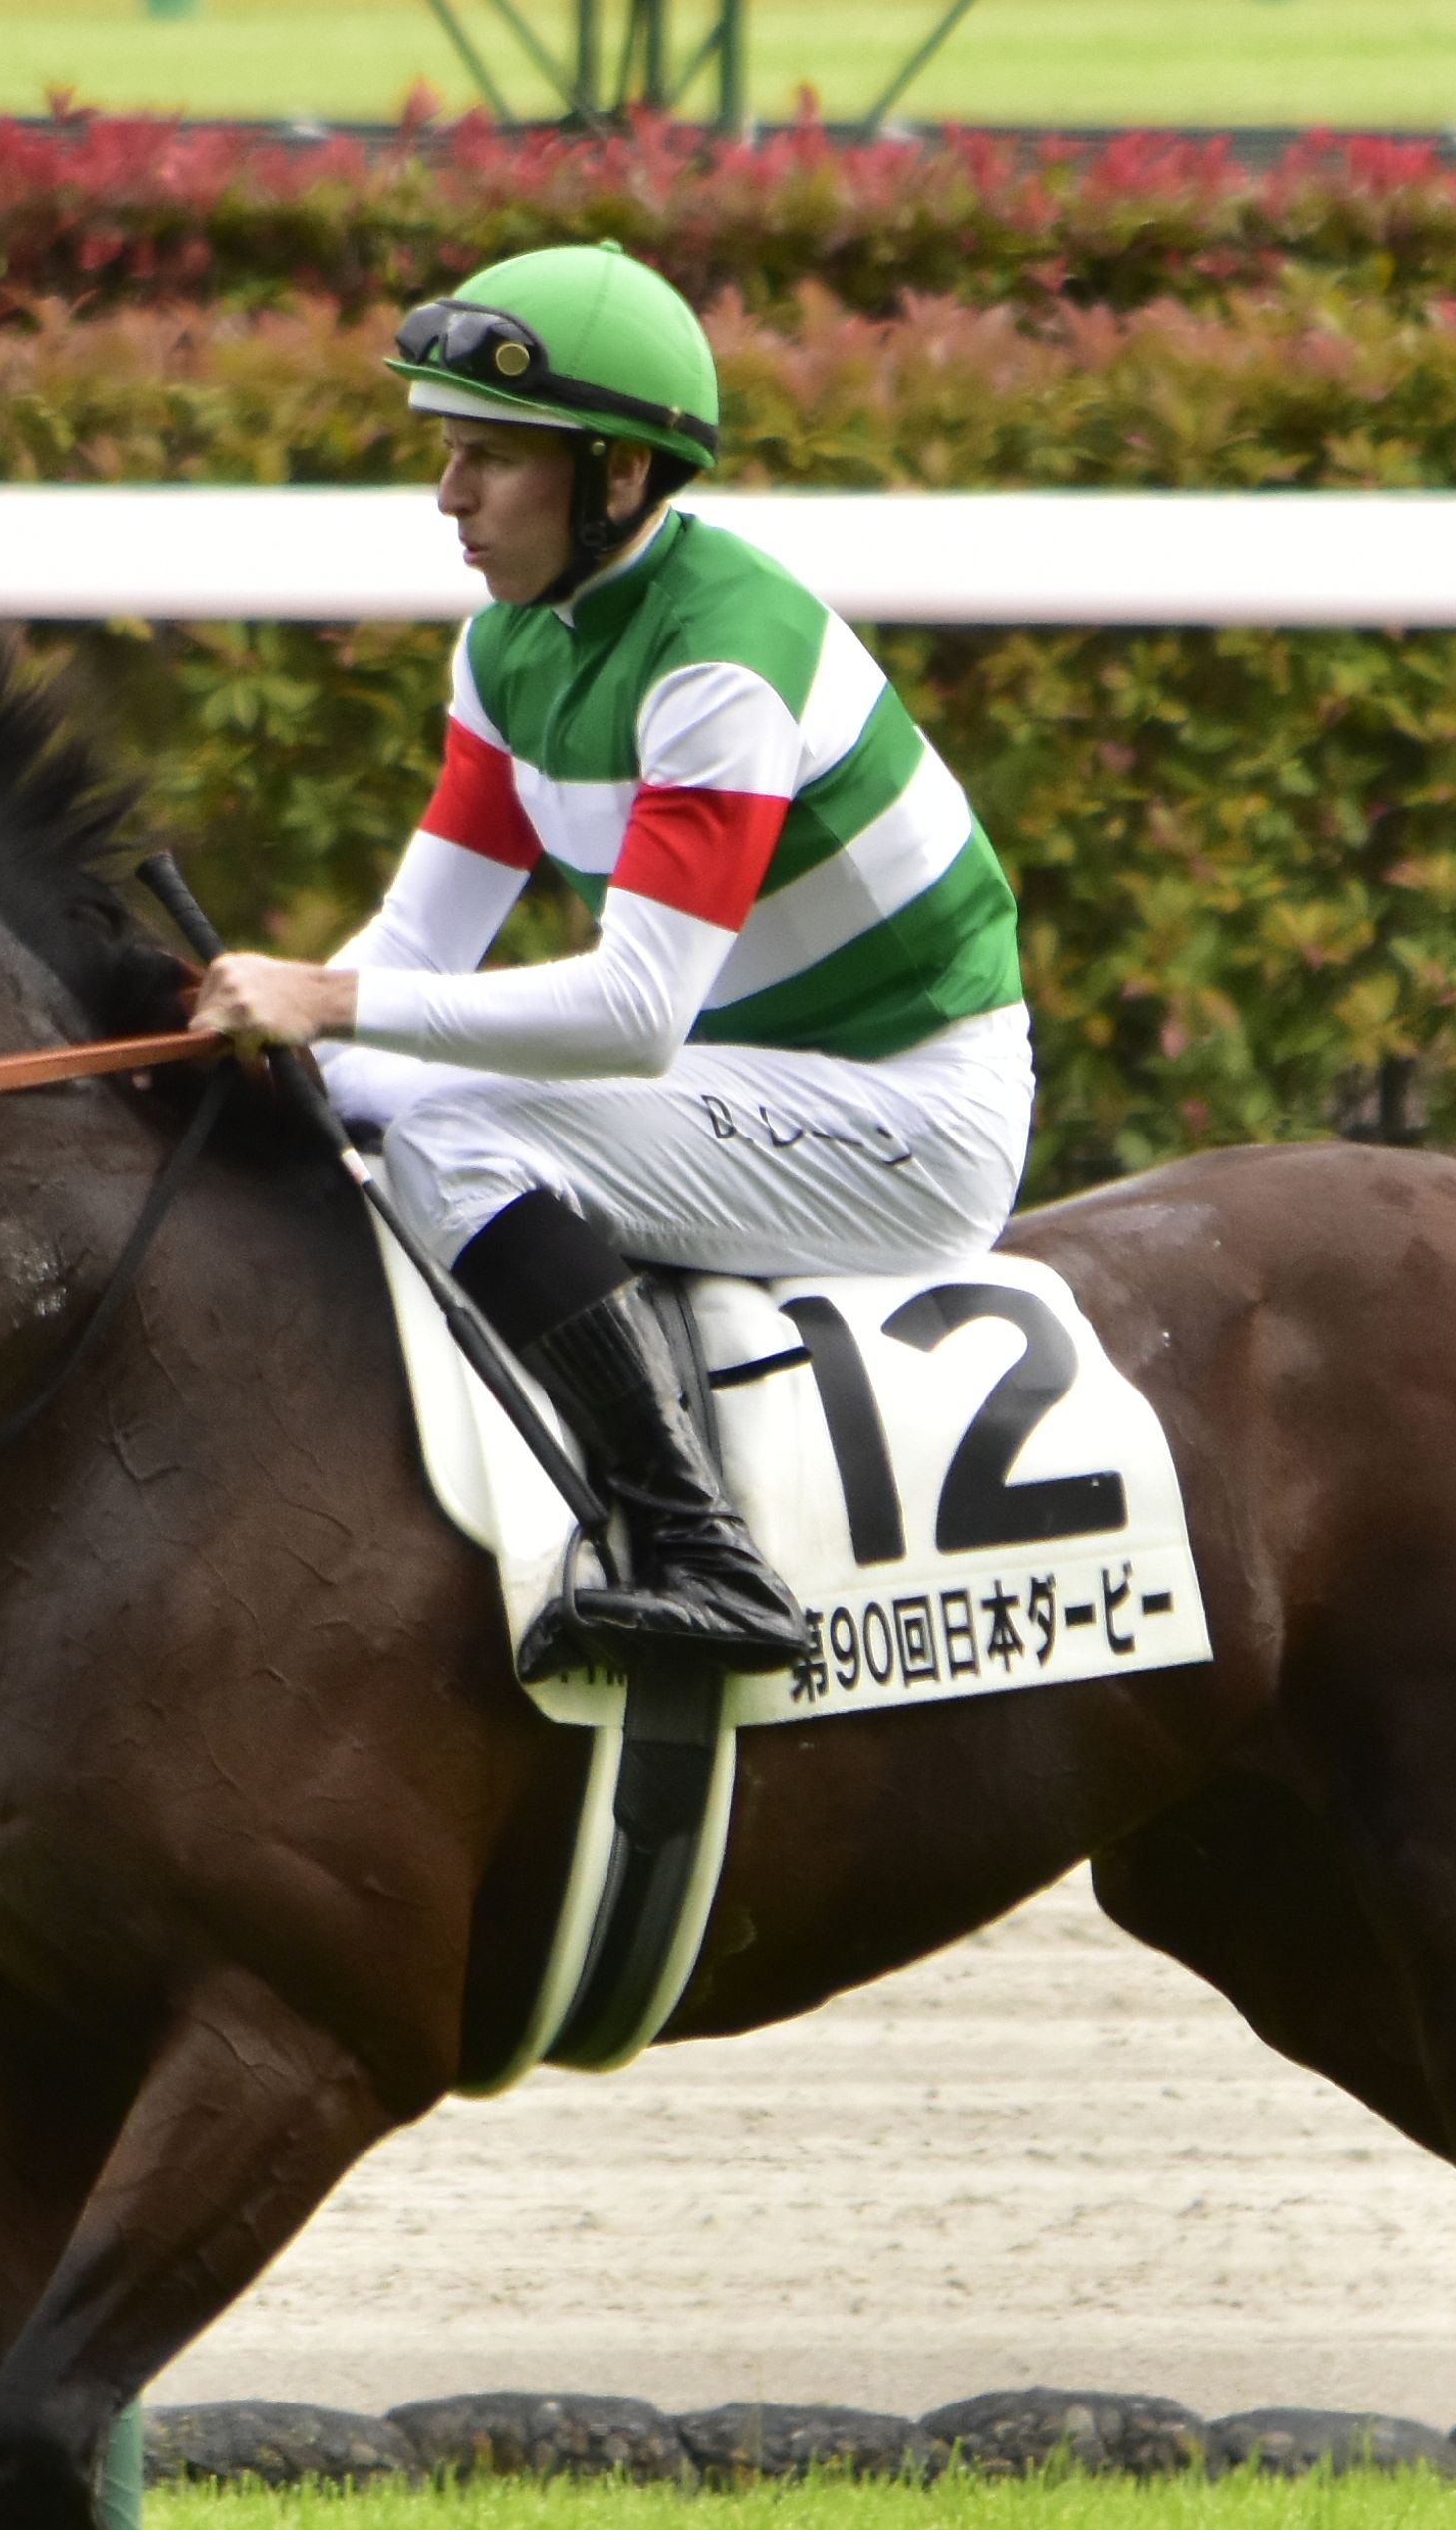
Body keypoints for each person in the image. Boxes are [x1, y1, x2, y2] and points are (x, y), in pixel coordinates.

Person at [190, 241, 1037, 1678]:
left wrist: (323, 1002)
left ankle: (705, 1555)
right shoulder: (512, 645)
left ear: (619, 478)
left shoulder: (720, 664)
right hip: (757, 1076)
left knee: (454, 1148)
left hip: (909, 1123)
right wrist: (255, 1046)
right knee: (365, 1107)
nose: (447, 496)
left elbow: (639, 1012)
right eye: (446, 452)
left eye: (491, 461)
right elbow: (418, 943)